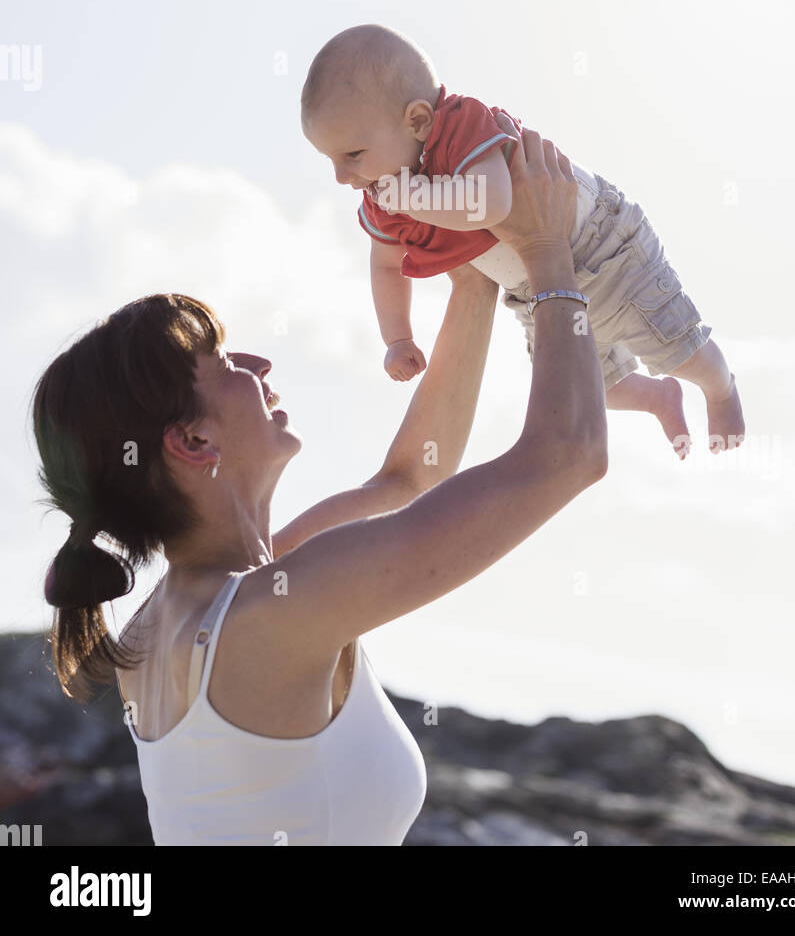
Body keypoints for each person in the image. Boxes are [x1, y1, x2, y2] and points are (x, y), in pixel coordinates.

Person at [34, 123, 607, 846]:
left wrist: (470, 267)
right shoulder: (270, 613)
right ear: (192, 441)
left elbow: (412, 475)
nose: (261, 364)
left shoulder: (191, 615)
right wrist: (546, 252)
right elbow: (569, 453)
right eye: (223, 361)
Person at [301, 24, 745, 459]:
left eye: (352, 155)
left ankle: (720, 388)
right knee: (584, 387)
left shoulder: (460, 128)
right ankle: (656, 398)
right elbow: (384, 264)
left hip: (600, 249)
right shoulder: (381, 196)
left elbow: (492, 202)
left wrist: (417, 199)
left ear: (417, 120)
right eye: (330, 160)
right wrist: (397, 337)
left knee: (679, 349)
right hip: (536, 288)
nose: (342, 176)